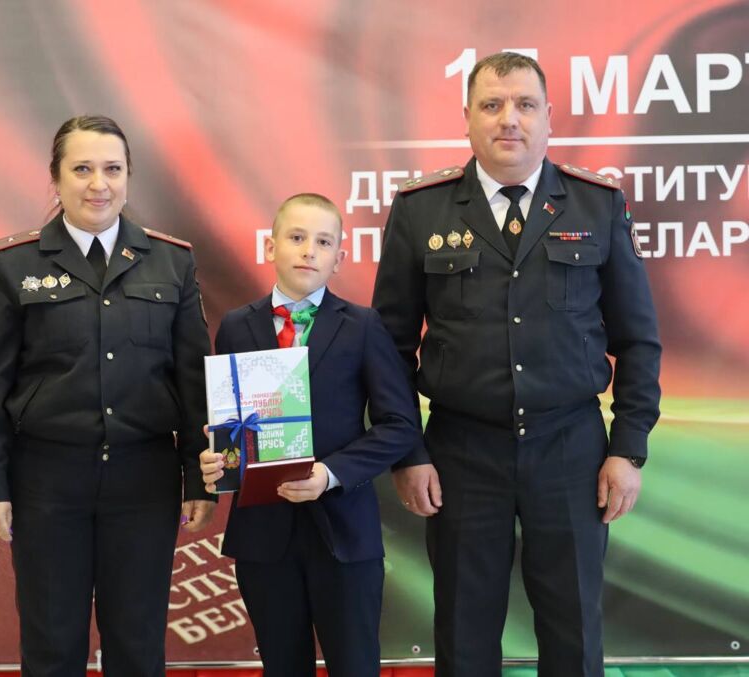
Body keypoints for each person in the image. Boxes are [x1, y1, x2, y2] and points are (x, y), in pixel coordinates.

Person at [372, 53, 661, 677]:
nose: (510, 119)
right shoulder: (422, 210)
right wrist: (408, 452)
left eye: (525, 105)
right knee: (464, 630)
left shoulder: (596, 205)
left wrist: (628, 448)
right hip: (460, 452)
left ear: (548, 117)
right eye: (493, 105)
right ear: (467, 118)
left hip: (572, 450)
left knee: (573, 630)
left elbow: (638, 340)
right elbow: (388, 347)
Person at [0, 115, 214, 676]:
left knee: (138, 646)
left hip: (144, 482)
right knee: (52, 646)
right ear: (55, 179)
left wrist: (198, 476)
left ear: (128, 177)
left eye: (112, 169)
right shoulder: (13, 264)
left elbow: (195, 379)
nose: (99, 184)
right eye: (82, 169)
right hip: (48, 483)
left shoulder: (171, 261)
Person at [200, 194, 420, 677]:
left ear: (339, 258)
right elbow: (229, 426)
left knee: (355, 665)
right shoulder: (236, 326)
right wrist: (217, 459)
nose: (308, 251)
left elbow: (400, 425)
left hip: (344, 532)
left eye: (323, 242)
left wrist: (331, 473)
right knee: (282, 666)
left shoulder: (363, 326)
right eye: (297, 237)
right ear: (270, 246)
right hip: (263, 537)